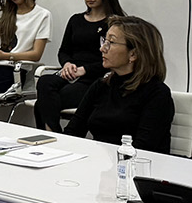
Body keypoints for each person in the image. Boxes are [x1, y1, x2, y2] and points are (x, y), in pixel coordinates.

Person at [61, 16, 174, 152]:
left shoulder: (157, 93)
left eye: (111, 42)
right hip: (101, 160)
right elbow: (73, 132)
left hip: (136, 163)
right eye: (104, 41)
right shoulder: (101, 85)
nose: (102, 48)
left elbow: (142, 149)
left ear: (133, 54)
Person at [34, 0, 125, 131]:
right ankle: (55, 136)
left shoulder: (114, 24)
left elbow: (115, 60)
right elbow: (64, 51)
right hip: (71, 73)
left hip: (95, 77)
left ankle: (53, 136)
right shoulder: (76, 20)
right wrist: (67, 64)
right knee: (44, 81)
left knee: (42, 104)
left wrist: (85, 70)